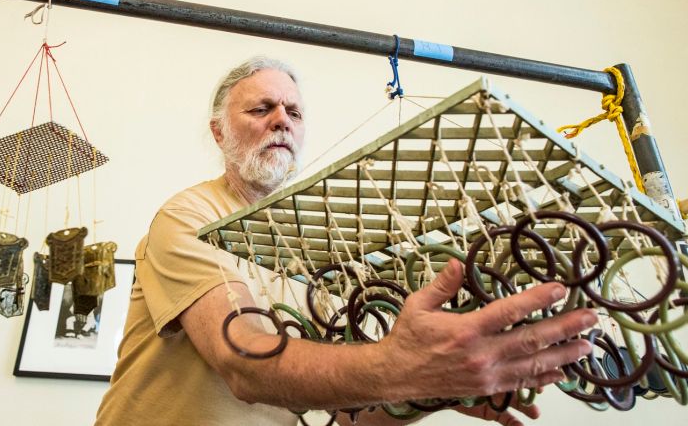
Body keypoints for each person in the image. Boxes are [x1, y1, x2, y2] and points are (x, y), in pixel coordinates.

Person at [95, 57, 597, 426]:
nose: (282, 120)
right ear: (220, 134)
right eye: (262, 109)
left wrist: (434, 389)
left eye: (294, 111)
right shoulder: (188, 216)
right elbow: (244, 361)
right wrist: (406, 369)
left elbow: (350, 413)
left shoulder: (320, 247)